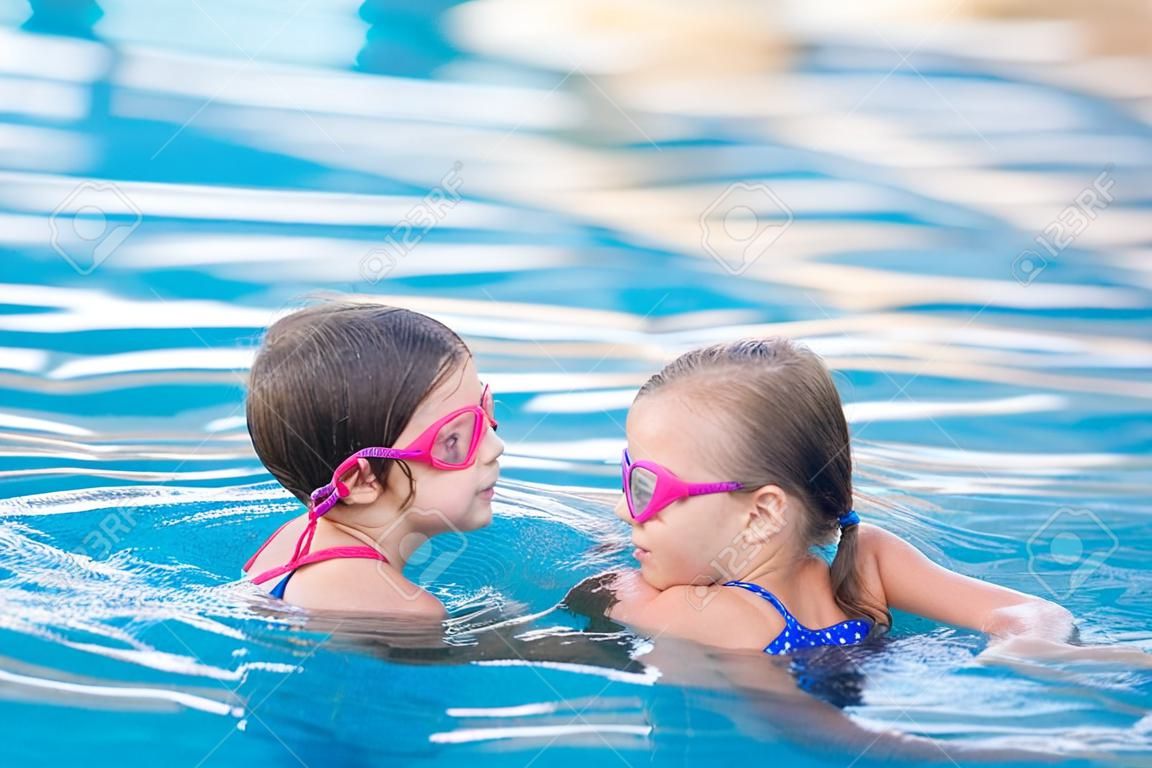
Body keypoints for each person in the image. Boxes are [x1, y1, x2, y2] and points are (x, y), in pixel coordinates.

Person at [606, 338, 1075, 654]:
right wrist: (1016, 658)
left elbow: (824, 735)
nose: (624, 509)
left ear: (763, 513)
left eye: (646, 487)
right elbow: (1038, 615)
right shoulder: (870, 562)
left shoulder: (711, 614)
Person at [242, 301, 502, 615]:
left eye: (485, 411)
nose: (494, 447)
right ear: (363, 480)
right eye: (453, 439)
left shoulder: (295, 537)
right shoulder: (406, 612)